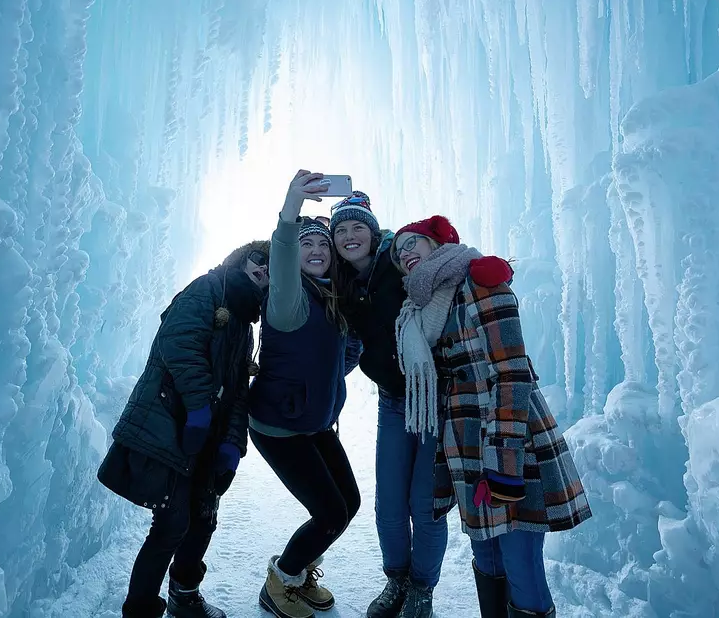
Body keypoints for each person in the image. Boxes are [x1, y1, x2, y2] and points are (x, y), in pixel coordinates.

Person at [391, 215, 592, 618]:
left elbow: (511, 372)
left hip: (509, 435)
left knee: (519, 557)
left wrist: (503, 463)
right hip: (463, 442)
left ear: (439, 243)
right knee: (486, 553)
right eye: (399, 252)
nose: (406, 253)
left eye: (414, 243)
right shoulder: (421, 308)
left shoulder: (480, 279)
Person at [330, 192, 508, 618]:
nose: (350, 236)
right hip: (393, 404)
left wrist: (486, 269)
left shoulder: (398, 264)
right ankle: (397, 580)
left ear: (375, 234)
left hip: (437, 401)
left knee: (424, 505)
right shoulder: (343, 285)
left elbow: (449, 264)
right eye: (341, 230)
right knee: (388, 503)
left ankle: (422, 589)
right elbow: (354, 344)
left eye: (359, 227)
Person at [97, 241, 271, 618]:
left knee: (203, 518)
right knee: (172, 522)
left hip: (205, 437)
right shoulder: (207, 289)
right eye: (258, 259)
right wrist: (198, 409)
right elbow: (178, 344)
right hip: (170, 423)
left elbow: (239, 390)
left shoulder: (244, 325)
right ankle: (140, 609)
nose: (263, 269)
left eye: (272, 268)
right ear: (240, 259)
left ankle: (184, 595)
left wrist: (232, 443)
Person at [250, 170, 363, 618]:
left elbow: (343, 351)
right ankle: (281, 580)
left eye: (322, 244)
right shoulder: (288, 299)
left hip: (311, 422)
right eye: (306, 244)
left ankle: (300, 570)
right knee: (331, 513)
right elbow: (280, 252)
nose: (315, 250)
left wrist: (331, 378)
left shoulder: (328, 298)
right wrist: (292, 206)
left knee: (348, 503)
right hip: (279, 427)